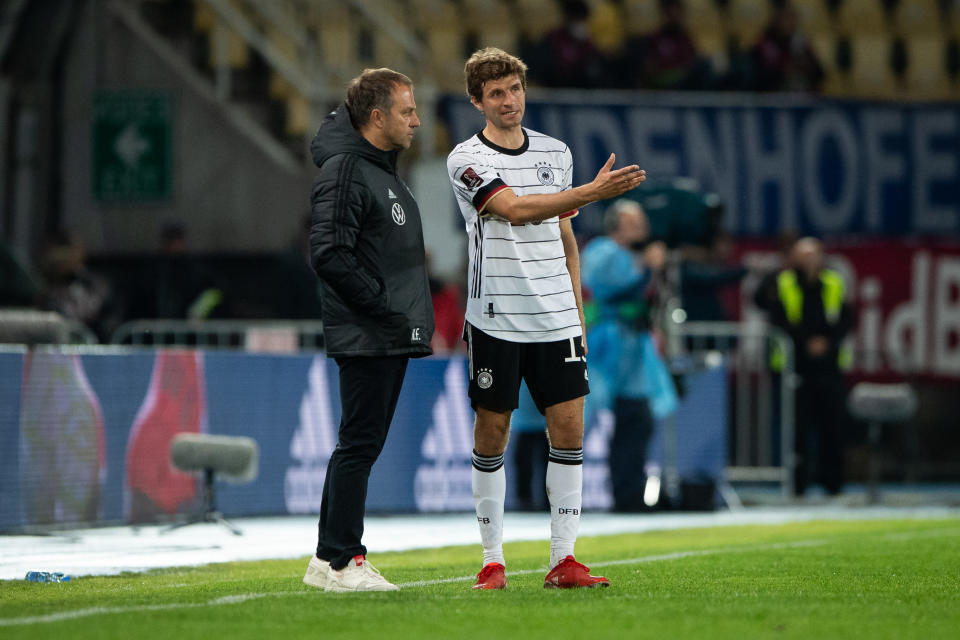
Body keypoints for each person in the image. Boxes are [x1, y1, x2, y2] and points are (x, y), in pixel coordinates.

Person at [446, 47, 646, 590]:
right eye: (495, 94)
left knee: (570, 429)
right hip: (496, 315)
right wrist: (593, 193)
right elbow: (512, 209)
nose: (508, 101)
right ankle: (493, 561)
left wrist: (578, 313)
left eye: (514, 89)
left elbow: (563, 232)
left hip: (556, 316)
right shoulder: (466, 159)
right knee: (494, 430)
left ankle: (563, 560)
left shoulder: (555, 153)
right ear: (477, 101)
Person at [302, 68, 434, 592]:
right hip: (369, 331)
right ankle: (342, 561)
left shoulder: (380, 171)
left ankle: (327, 560)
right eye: (406, 111)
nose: (417, 121)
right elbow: (329, 253)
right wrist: (383, 310)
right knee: (358, 445)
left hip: (385, 330)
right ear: (376, 117)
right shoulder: (347, 171)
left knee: (359, 444)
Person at [581, 200, 673, 512]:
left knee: (638, 421)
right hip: (605, 345)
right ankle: (552, 495)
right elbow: (606, 285)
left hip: (635, 345)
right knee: (585, 422)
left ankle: (630, 493)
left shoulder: (641, 255)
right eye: (636, 223)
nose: (643, 228)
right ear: (617, 225)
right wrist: (644, 265)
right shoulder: (601, 251)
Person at [769, 238, 852, 497]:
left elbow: (846, 318)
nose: (808, 260)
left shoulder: (834, 282)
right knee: (797, 429)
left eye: (813, 254)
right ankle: (798, 485)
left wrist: (826, 342)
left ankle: (833, 484)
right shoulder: (782, 282)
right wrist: (806, 341)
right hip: (795, 366)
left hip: (828, 367)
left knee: (832, 427)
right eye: (802, 255)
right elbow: (777, 315)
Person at [750, 1, 824, 92]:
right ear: (776, 21)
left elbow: (820, 73)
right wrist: (784, 68)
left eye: (792, 20)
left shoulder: (800, 42)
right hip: (772, 95)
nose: (790, 24)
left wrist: (807, 66)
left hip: (801, 95)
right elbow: (759, 76)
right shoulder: (764, 43)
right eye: (786, 20)